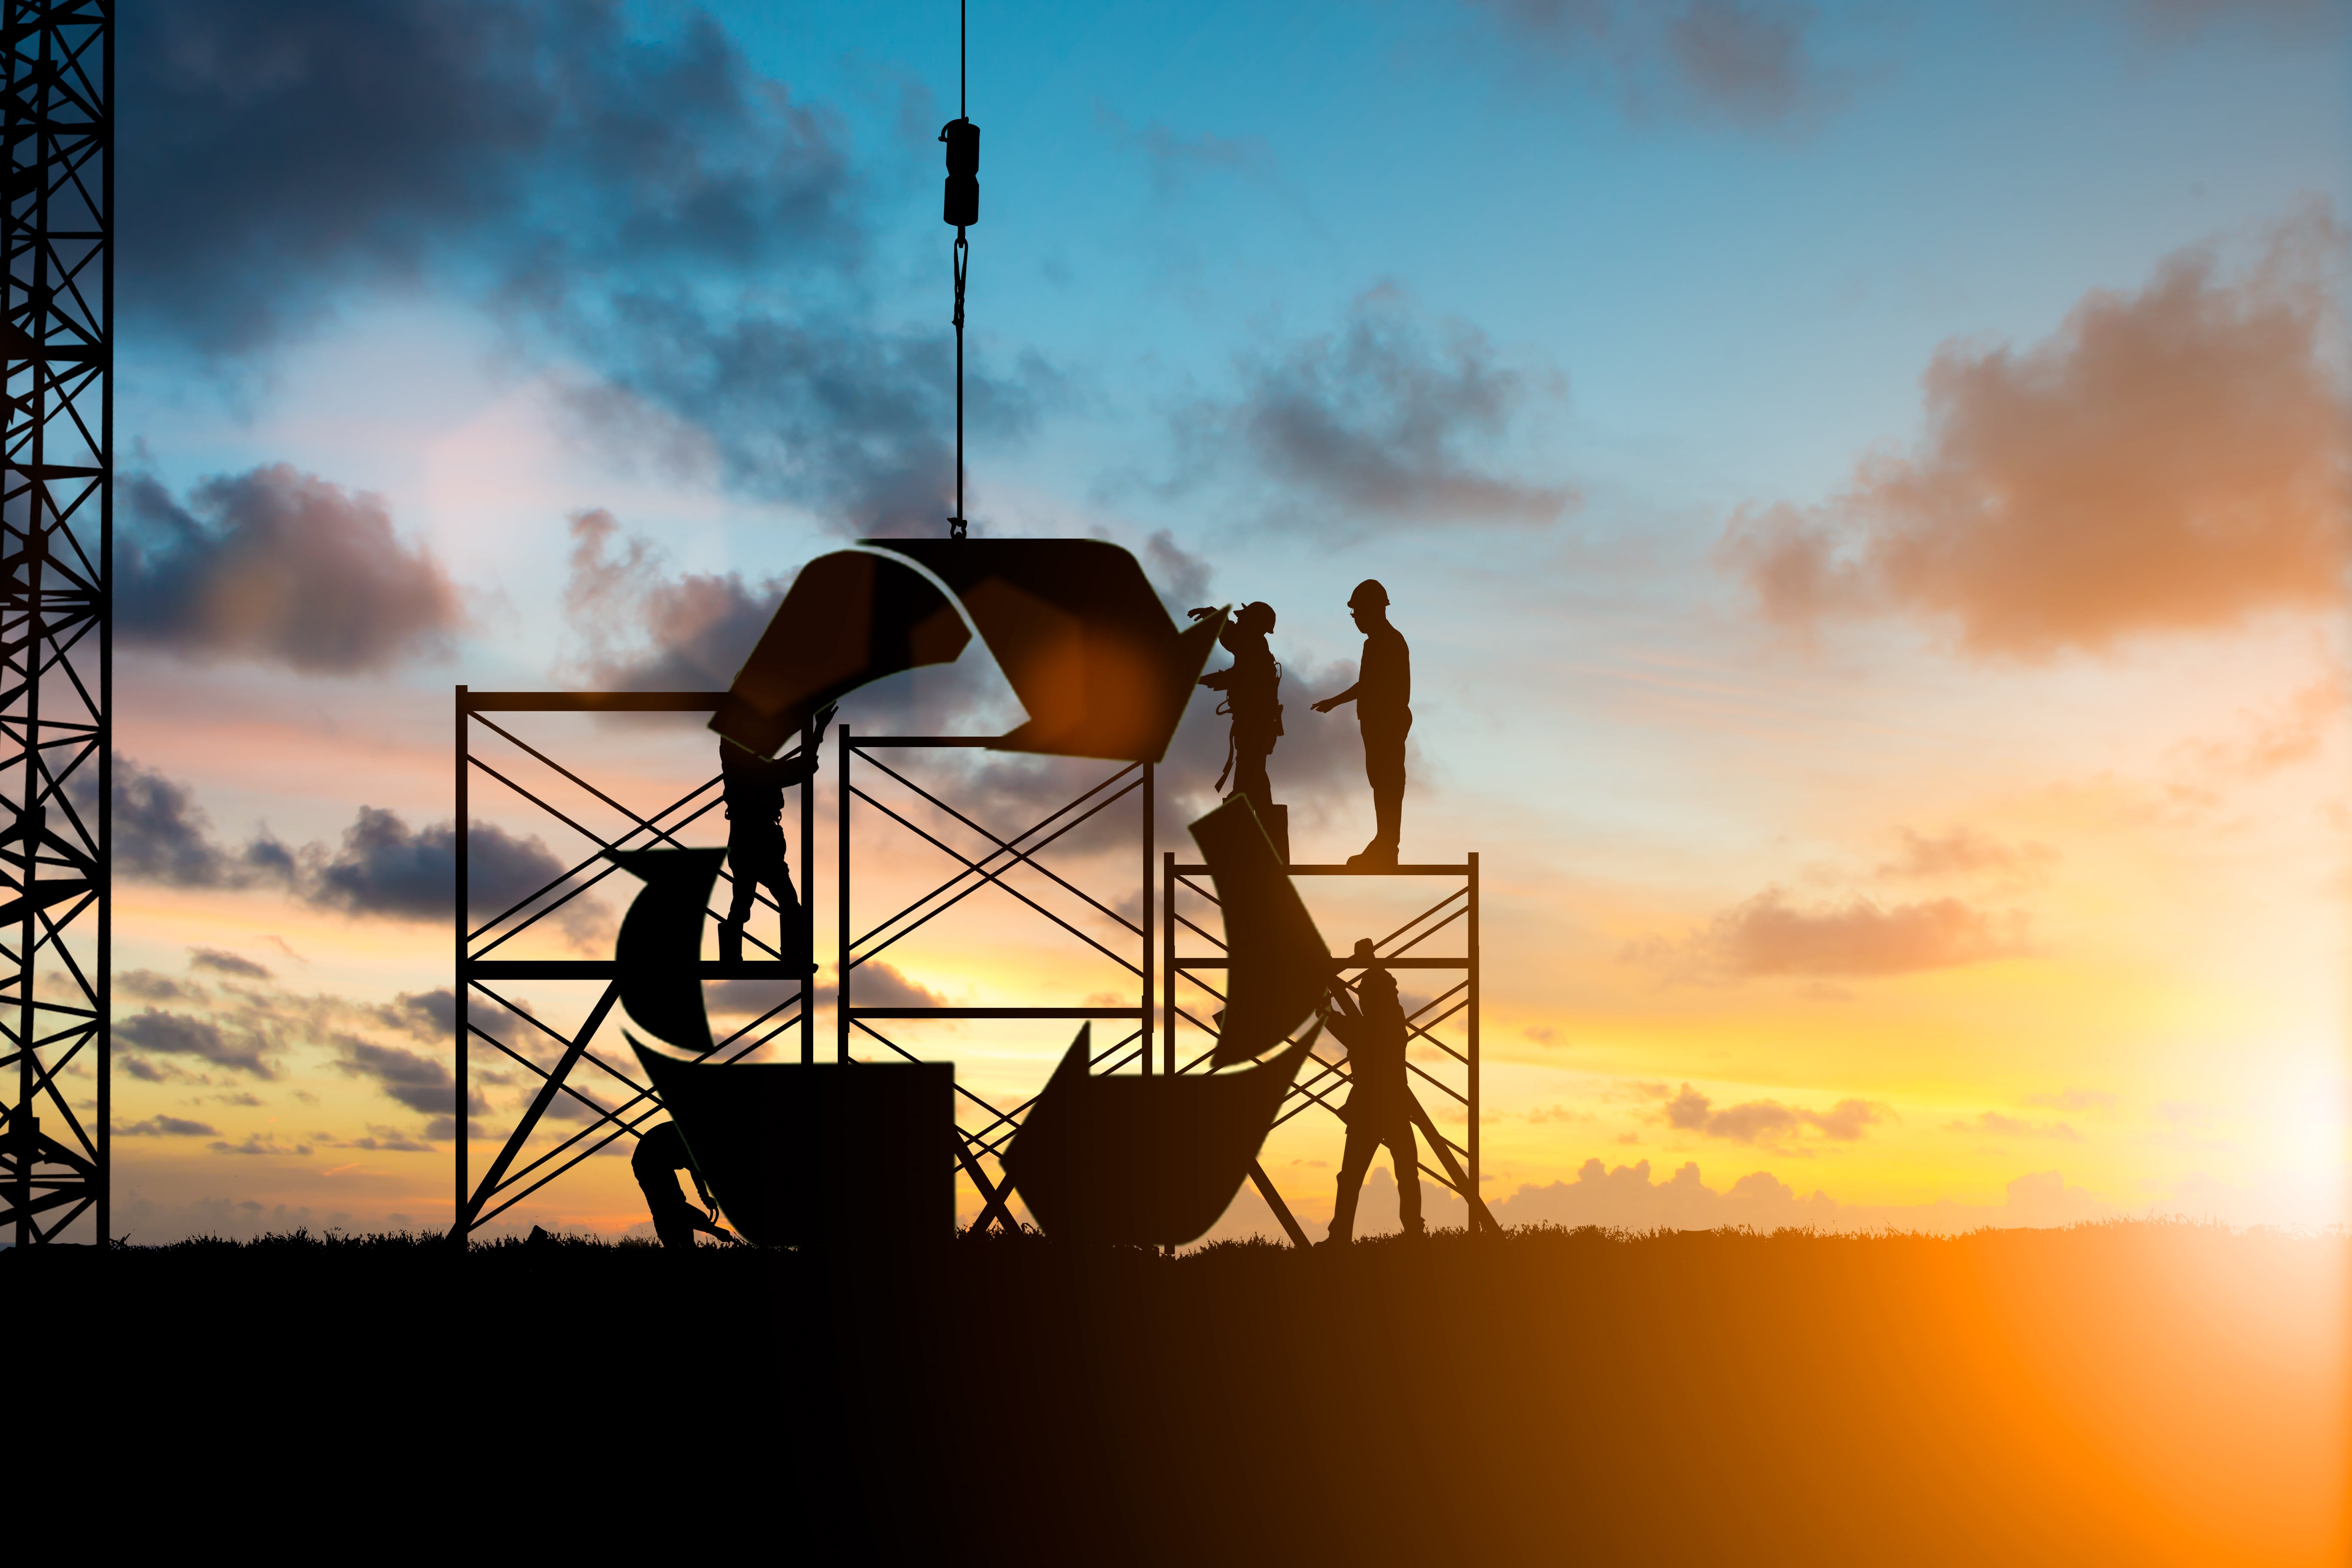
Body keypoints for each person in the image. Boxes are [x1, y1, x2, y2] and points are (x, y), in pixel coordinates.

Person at [718, 702, 836, 966]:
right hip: (750, 835)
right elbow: (795, 762)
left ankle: (784, 955)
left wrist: (817, 728)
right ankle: (740, 956)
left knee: (770, 901)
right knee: (748, 901)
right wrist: (811, 722)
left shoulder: (757, 764)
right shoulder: (741, 759)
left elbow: (803, 766)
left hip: (759, 836)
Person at [1323, 938, 1422, 1245]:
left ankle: (1340, 1236)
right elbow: (1384, 990)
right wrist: (1368, 960)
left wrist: (1334, 976)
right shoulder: (1394, 1022)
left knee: (1354, 1177)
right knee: (1405, 1172)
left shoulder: (1364, 1027)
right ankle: (1413, 1235)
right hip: (1390, 1107)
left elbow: (1328, 1014)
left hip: (1370, 1109)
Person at [1310, 579, 1410, 869]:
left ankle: (1388, 846)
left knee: (1389, 783)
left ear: (1374, 610)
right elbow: (1366, 684)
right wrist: (1335, 702)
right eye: (1354, 614)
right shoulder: (1374, 643)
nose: (1356, 619)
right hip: (1377, 723)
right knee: (1381, 783)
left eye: (1359, 613)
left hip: (1387, 723)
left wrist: (1338, 702)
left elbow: (1376, 686)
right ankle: (1385, 842)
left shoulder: (1390, 642)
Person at [1195, 600, 1284, 838]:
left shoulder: (1254, 647)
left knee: (1248, 780)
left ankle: (1248, 838)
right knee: (1255, 781)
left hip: (1256, 726)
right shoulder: (1254, 647)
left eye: (1244, 619)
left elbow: (1234, 661)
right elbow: (1233, 641)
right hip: (1255, 725)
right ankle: (1267, 838)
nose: (1240, 621)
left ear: (1254, 624)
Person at [632, 1121, 736, 1249]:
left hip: (656, 1164)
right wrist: (712, 1229)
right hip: (650, 1164)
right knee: (668, 1207)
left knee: (668, 1207)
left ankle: (684, 1245)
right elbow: (695, 1168)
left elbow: (695, 1169)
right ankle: (679, 1246)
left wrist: (704, 1196)